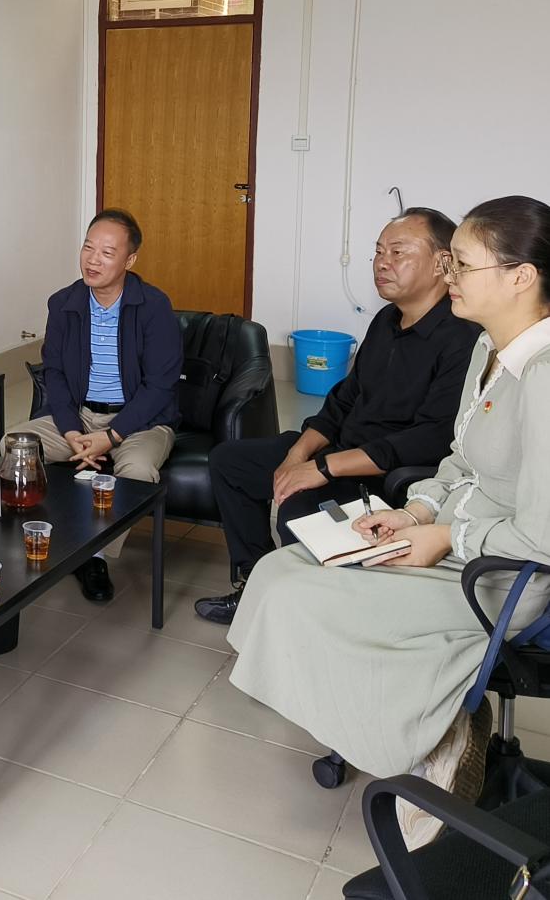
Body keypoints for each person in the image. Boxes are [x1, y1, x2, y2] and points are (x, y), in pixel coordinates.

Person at [228, 196, 550, 849]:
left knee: (303, 598)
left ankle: (432, 734)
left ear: (520, 276)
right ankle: (431, 720)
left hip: (501, 572)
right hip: (450, 533)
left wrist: (444, 537)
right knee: (278, 572)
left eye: (462, 264)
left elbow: (540, 537)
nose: (450, 275)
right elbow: (458, 461)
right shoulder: (488, 350)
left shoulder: (542, 377)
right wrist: (413, 511)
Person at [195, 208, 480, 624]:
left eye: (397, 252)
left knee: (299, 509)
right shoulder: (385, 320)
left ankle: (305, 615)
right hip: (340, 454)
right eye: (378, 252)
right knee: (230, 462)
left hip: (386, 475)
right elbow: (344, 399)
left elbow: (431, 438)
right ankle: (255, 586)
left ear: (442, 263)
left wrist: (322, 469)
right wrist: (297, 455)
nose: (382, 263)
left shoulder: (463, 337)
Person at [11, 208, 182, 603]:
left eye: (107, 252)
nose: (93, 260)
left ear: (130, 260)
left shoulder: (154, 306)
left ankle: (94, 556)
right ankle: (39, 534)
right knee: (16, 443)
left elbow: (160, 386)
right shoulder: (64, 303)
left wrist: (113, 435)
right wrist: (72, 430)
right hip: (80, 415)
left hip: (141, 420)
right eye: (88, 248)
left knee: (137, 470)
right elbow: (54, 373)